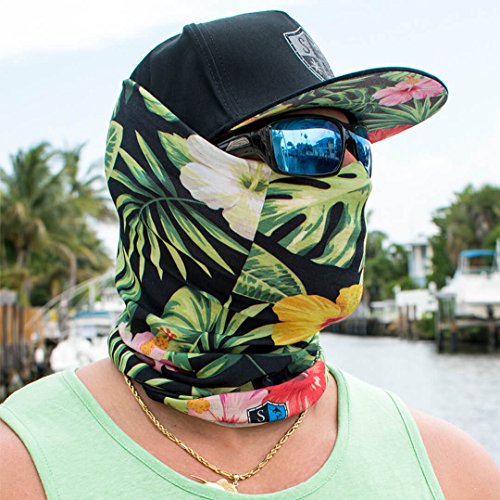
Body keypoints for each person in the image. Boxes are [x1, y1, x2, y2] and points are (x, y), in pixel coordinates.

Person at [1, 10, 499, 499]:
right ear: (175, 172)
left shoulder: (451, 472)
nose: (351, 174)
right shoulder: (22, 465)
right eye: (309, 144)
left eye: (358, 147)